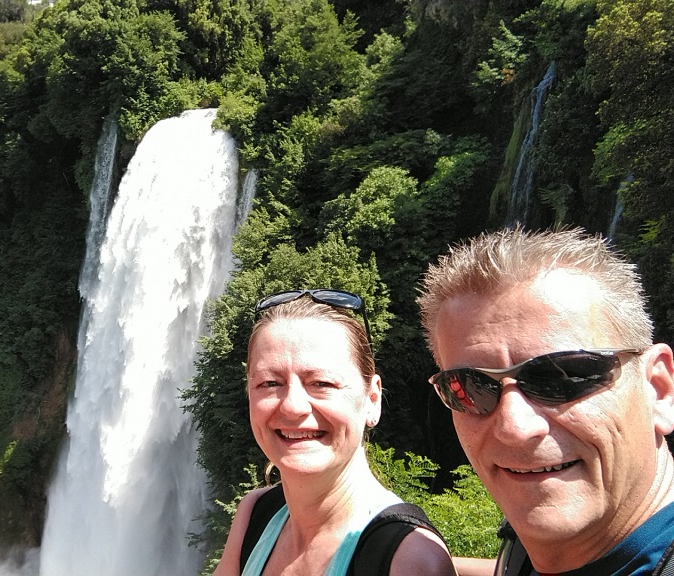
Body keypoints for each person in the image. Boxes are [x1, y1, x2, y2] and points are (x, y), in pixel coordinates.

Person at [417, 228, 674, 575]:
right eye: (470, 386)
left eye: (560, 377)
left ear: (658, 389)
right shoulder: (534, 545)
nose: (514, 427)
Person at [214, 289, 456, 576]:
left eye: (322, 383)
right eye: (269, 383)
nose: (292, 406)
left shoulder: (407, 559)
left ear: (372, 400)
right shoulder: (255, 515)